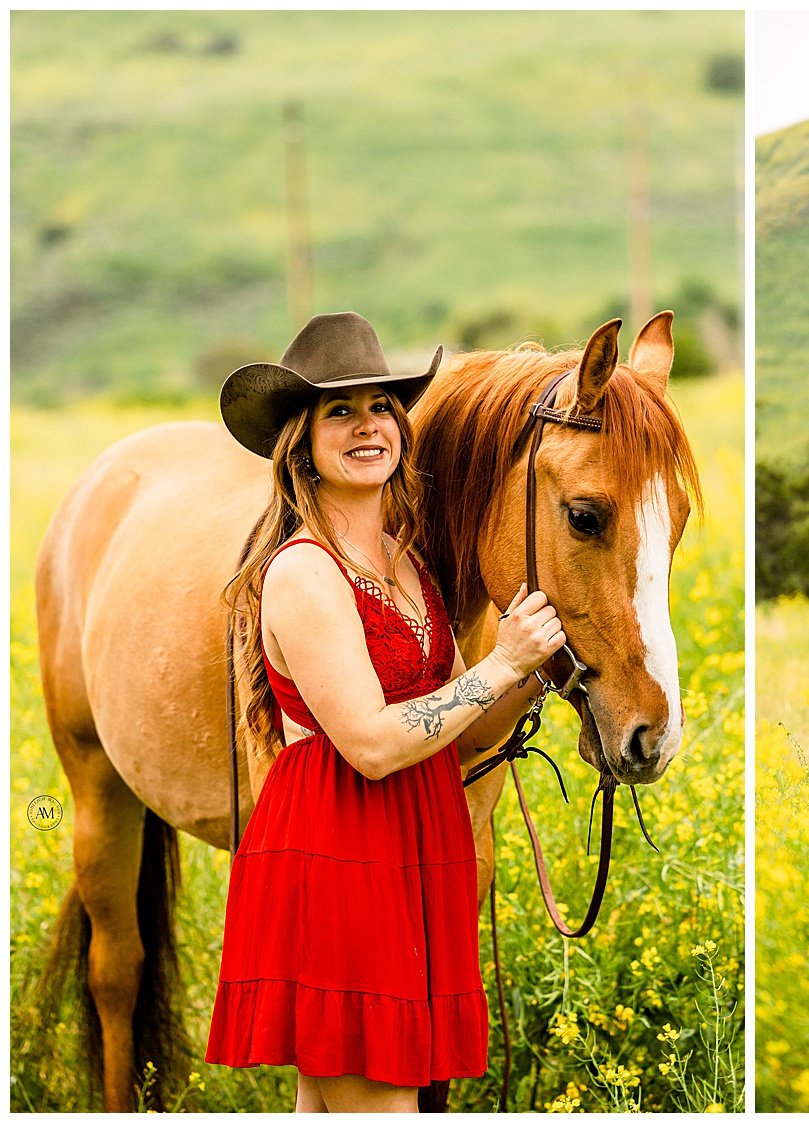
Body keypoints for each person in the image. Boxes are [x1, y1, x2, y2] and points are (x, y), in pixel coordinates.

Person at [206, 312, 564, 1111]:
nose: (368, 425)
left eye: (380, 407)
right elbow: (369, 742)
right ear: (301, 444)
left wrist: (540, 668)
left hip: (409, 848)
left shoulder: (406, 563)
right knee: (382, 1105)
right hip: (339, 852)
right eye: (340, 411)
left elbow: (462, 722)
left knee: (334, 1105)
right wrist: (500, 661)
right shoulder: (304, 572)